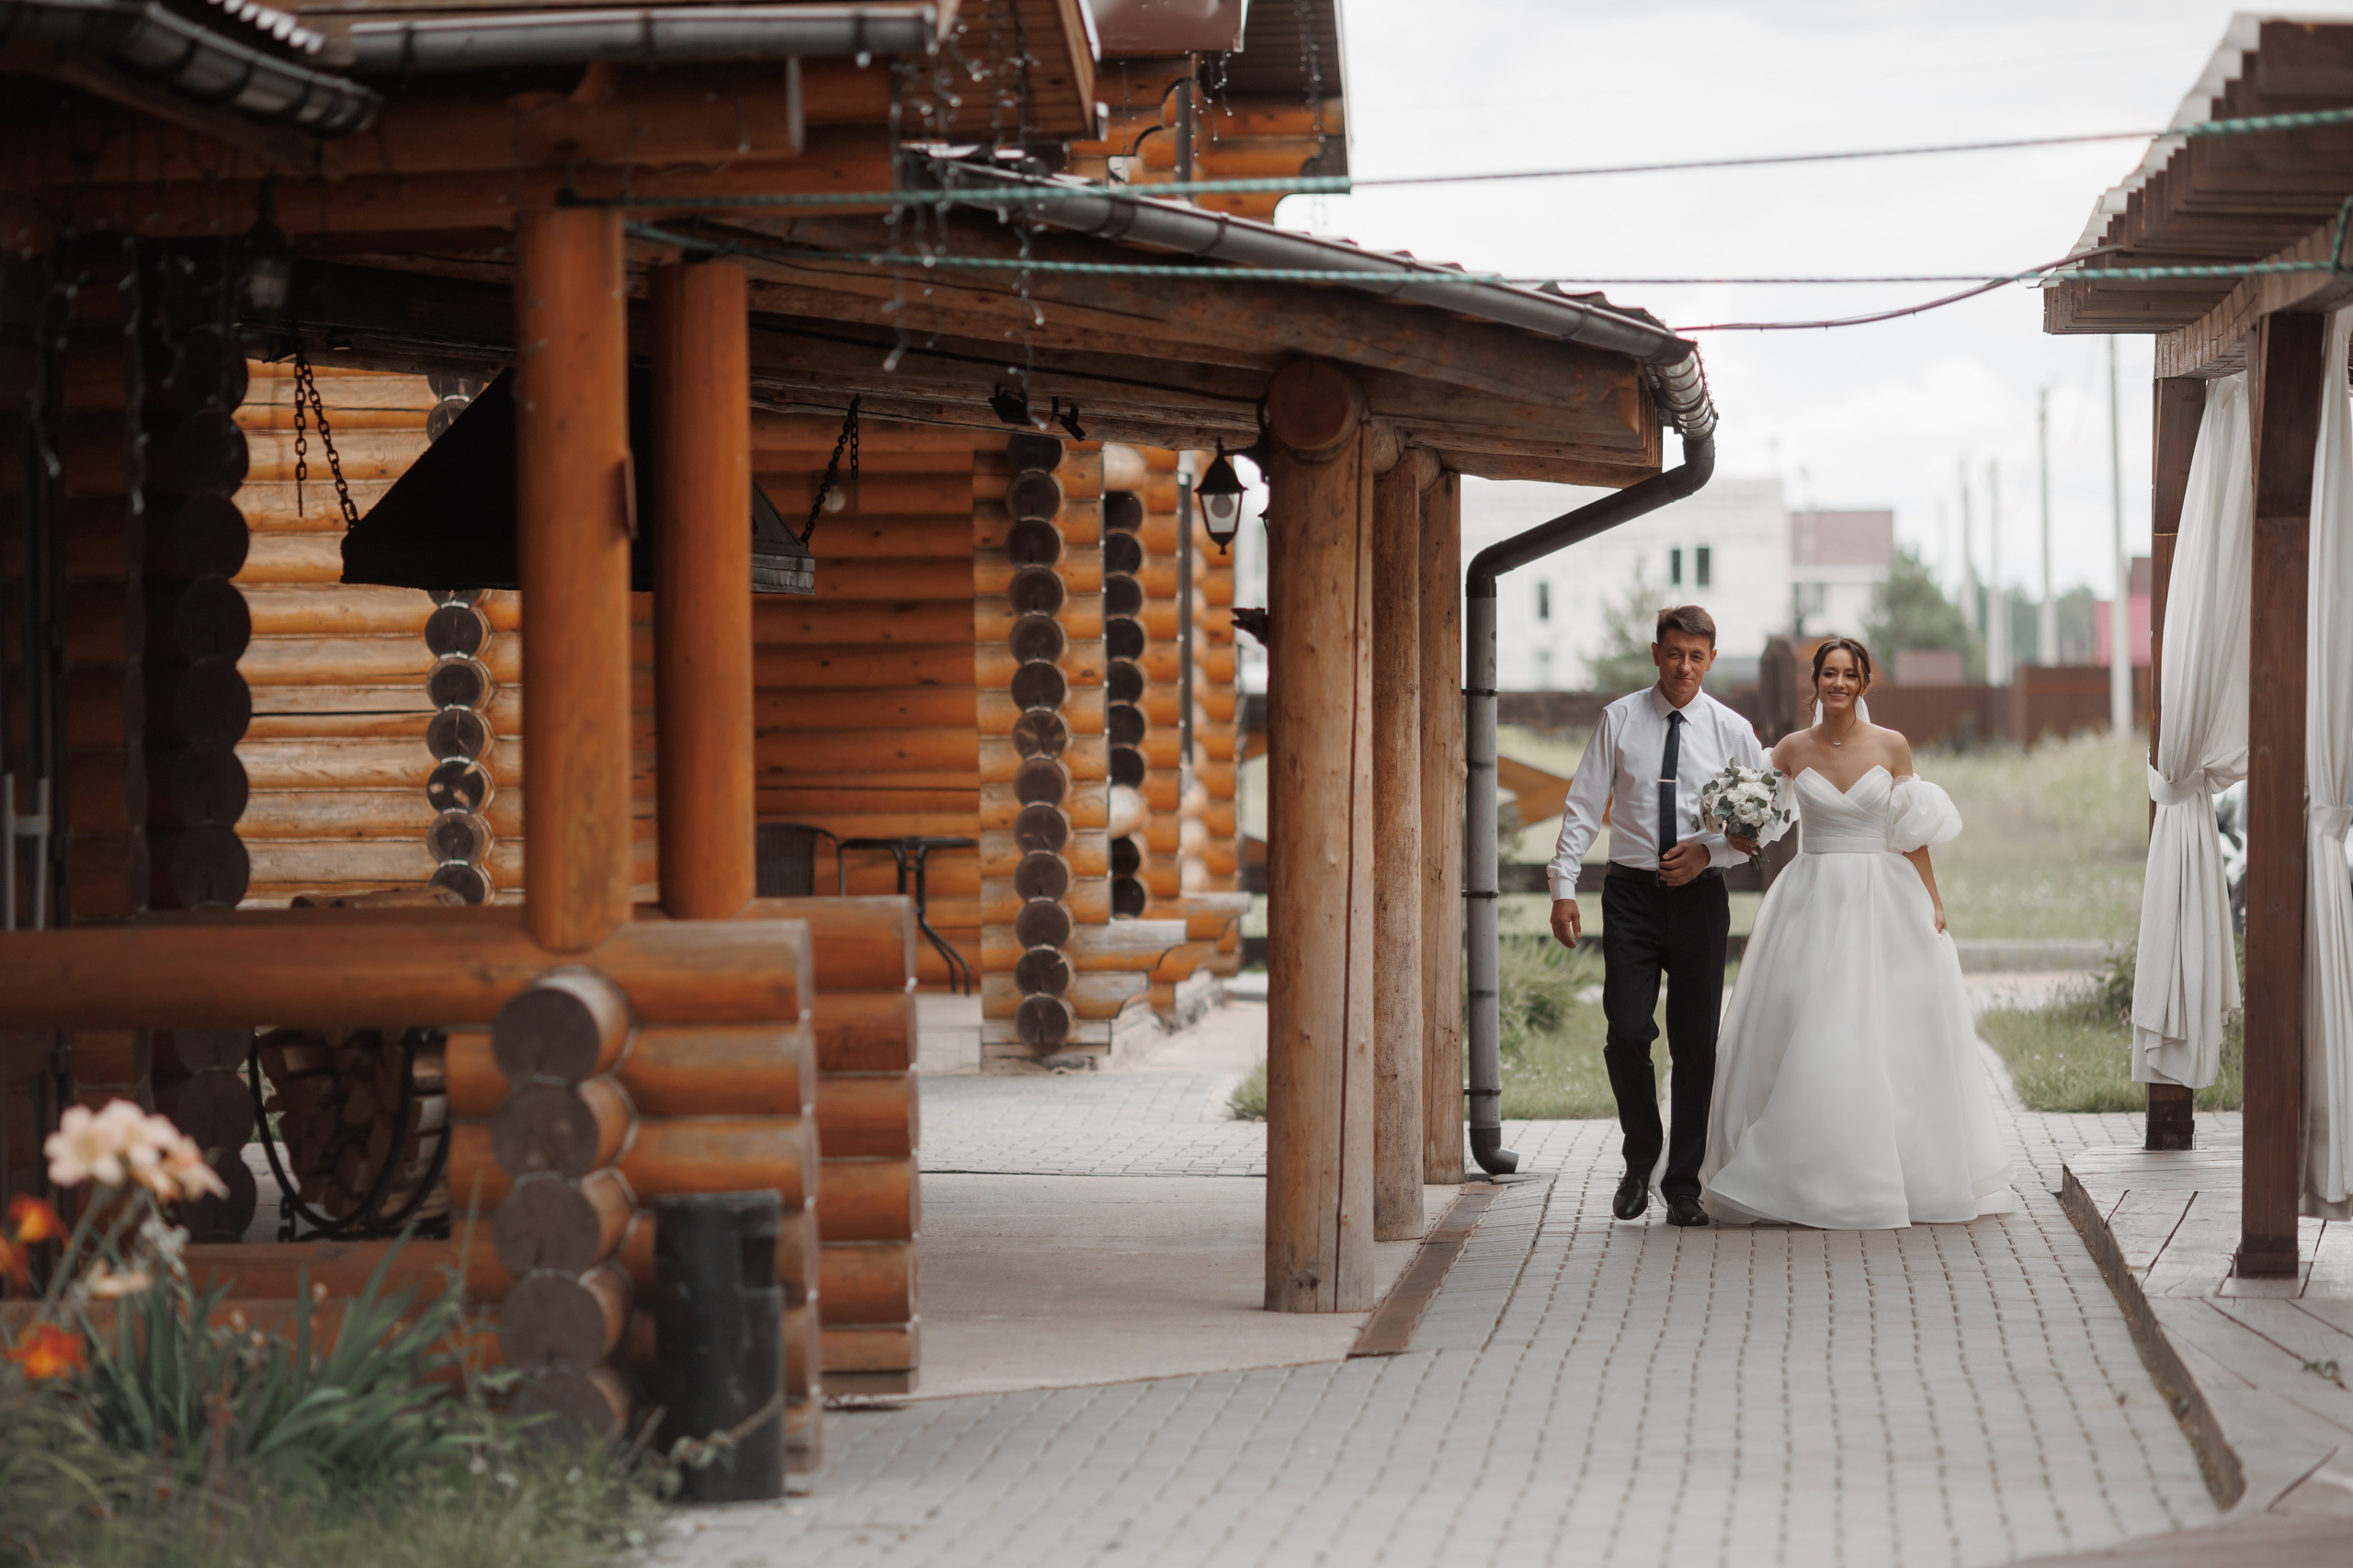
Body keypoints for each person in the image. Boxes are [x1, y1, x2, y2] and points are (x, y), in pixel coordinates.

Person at [1700, 637, 2018, 1228]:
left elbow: (1910, 829)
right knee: (1805, 1019)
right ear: (1815, 682)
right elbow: (1759, 817)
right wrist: (1734, 824)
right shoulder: (1792, 748)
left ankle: (1898, 1167)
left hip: (1883, 894)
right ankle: (1800, 1166)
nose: (1838, 684)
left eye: (1849, 674)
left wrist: (1933, 897)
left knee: (1889, 1028)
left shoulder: (1892, 745)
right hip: (1811, 895)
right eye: (1828, 674)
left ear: (1864, 682)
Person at [1547, 605, 1762, 1227]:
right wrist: (1564, 887)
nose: (1684, 666)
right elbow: (1584, 807)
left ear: (1712, 659)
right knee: (1628, 1030)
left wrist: (1709, 852)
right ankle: (1641, 1157)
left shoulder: (1731, 730)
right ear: (1655, 653)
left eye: (1697, 656)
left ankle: (1684, 1184)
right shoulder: (1619, 719)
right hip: (1631, 897)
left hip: (1700, 899)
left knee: (1696, 1044)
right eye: (1674, 654)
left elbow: (1764, 823)